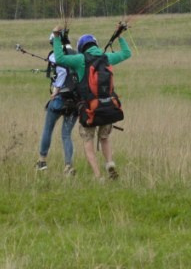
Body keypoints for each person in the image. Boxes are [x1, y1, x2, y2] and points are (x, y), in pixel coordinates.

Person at [51, 24, 132, 180]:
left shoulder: (80, 59)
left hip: (89, 109)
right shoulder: (106, 57)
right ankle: (110, 164)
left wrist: (56, 37)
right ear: (95, 44)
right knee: (104, 138)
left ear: (82, 47)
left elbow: (59, 58)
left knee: (88, 141)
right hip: (108, 106)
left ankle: (97, 175)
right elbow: (127, 53)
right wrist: (120, 37)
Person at [37, 33, 77, 175]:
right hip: (75, 102)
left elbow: (59, 73)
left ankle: (42, 161)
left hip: (59, 99)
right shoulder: (77, 55)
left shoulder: (54, 55)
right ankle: (68, 165)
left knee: (48, 129)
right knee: (66, 134)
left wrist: (55, 91)